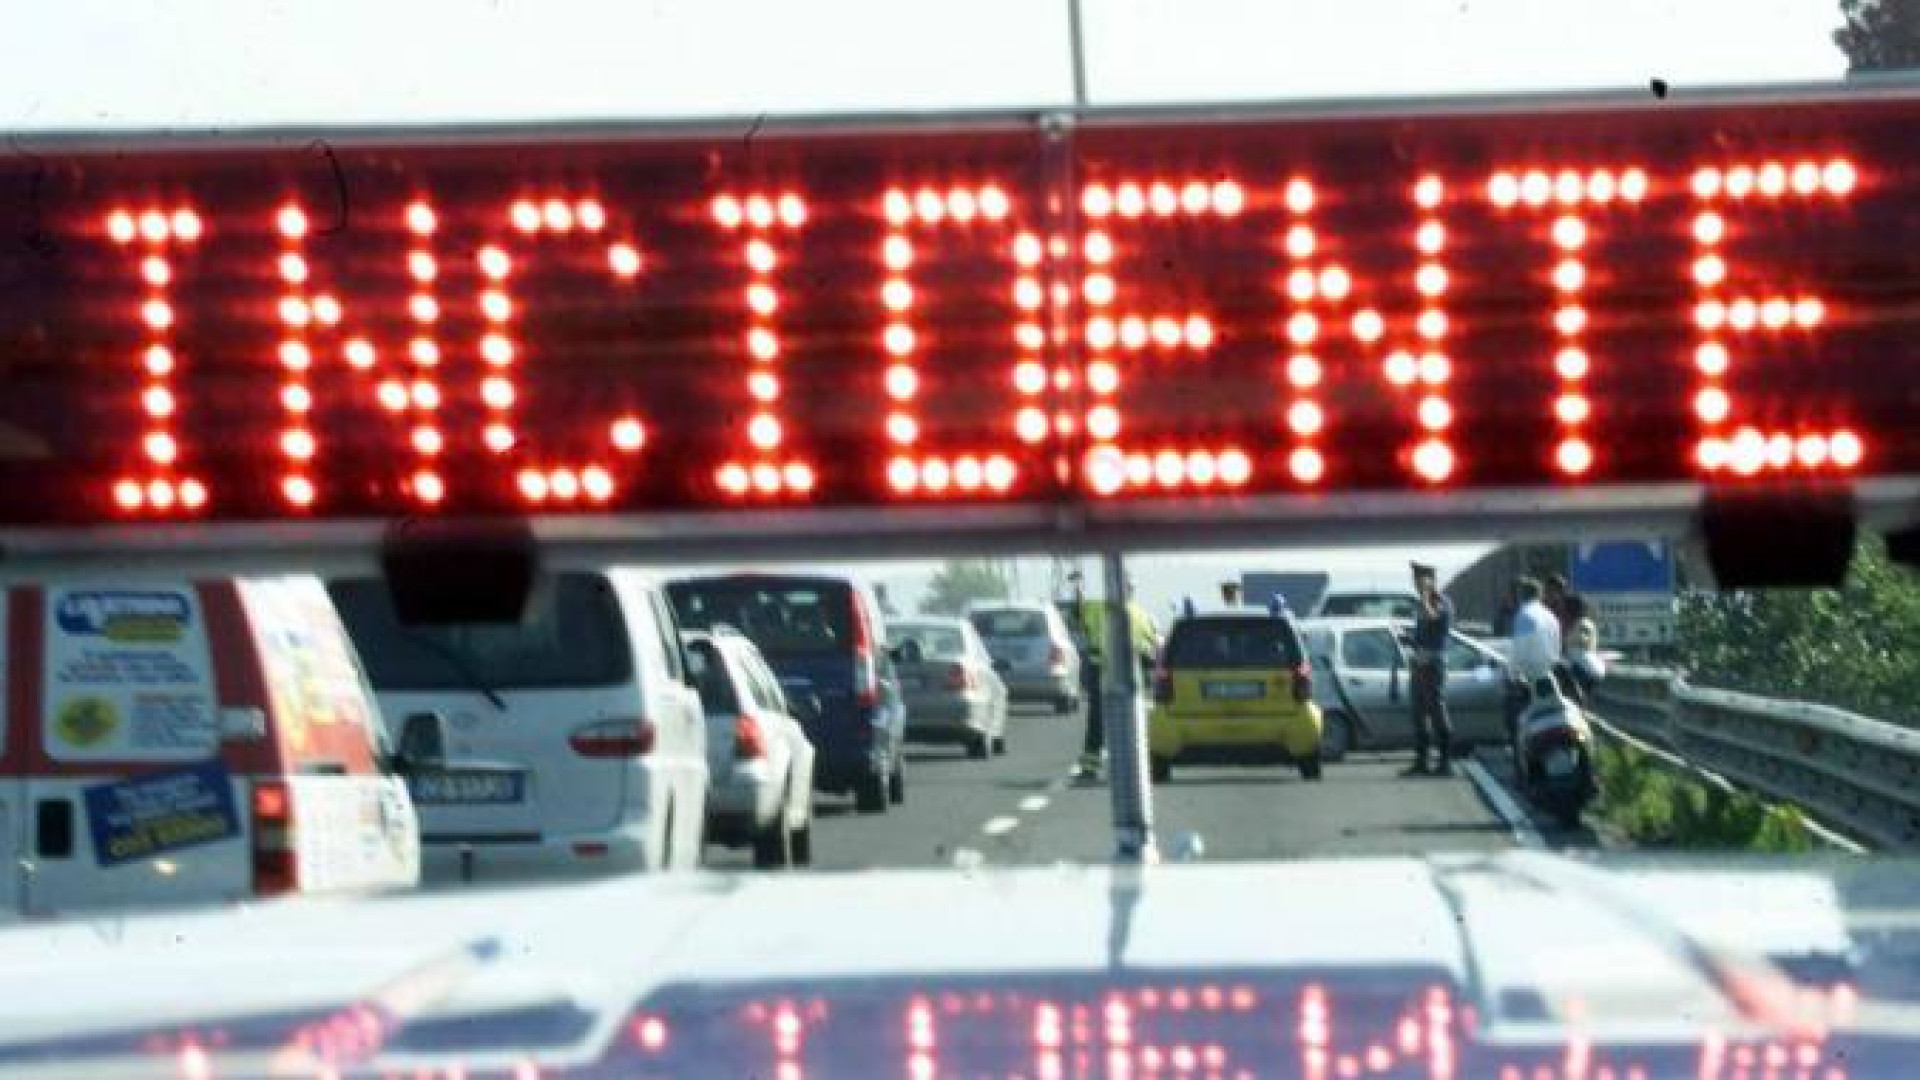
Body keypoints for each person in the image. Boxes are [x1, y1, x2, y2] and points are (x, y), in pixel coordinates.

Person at [1071, 573, 1159, 781]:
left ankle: (1090, 767)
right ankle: (1136, 768)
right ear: (1131, 591)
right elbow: (1152, 650)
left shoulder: (1098, 608)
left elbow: (1078, 613)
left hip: (1103, 676)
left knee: (1097, 724)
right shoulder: (1142, 614)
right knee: (1134, 724)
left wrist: (1079, 589)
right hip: (1133, 679)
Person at [1403, 562, 1455, 777]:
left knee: (1437, 712)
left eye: (1420, 579)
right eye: (1415, 580)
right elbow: (1424, 629)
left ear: (1431, 580)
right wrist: (1410, 639)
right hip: (1419, 663)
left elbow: (1433, 616)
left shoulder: (1442, 602)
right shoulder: (1421, 603)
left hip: (1433, 665)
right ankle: (1421, 761)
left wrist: (1425, 594)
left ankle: (1445, 762)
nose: (1416, 584)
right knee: (1418, 713)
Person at [1506, 577, 1563, 741]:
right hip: (1551, 676)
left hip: (1530, 679)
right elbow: (1557, 648)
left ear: (1520, 596)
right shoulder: (1550, 616)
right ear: (1539, 595)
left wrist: (1511, 675)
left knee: (1518, 721)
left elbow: (1520, 651)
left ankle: (1521, 755)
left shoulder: (1524, 615)